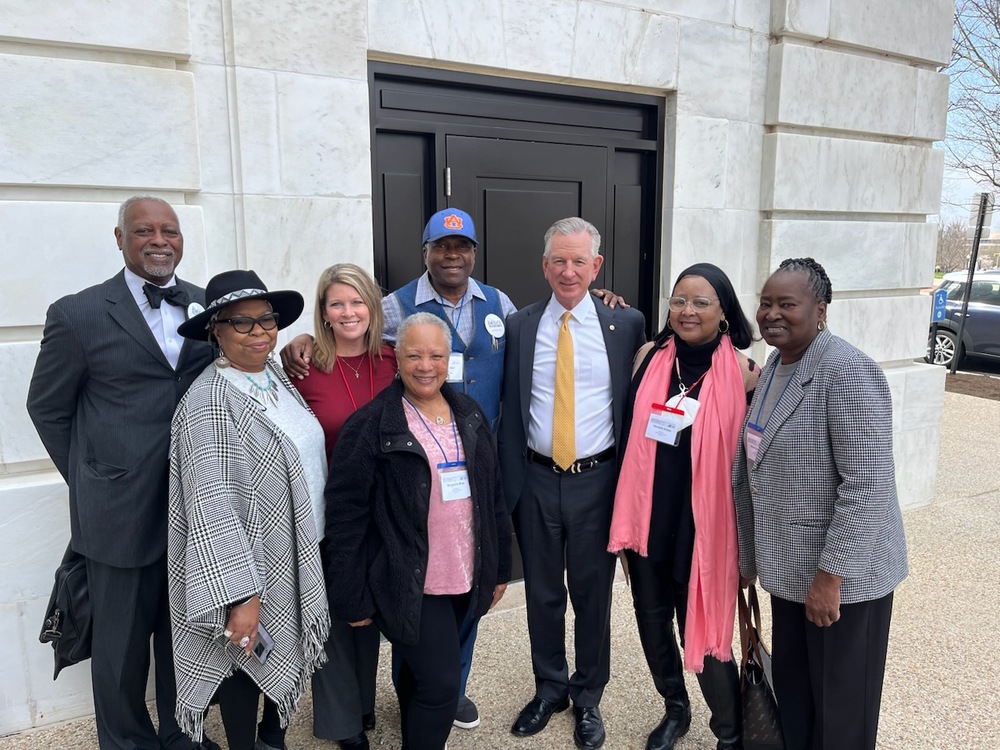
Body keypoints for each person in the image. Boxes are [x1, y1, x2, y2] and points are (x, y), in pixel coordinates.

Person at [282, 207, 624, 731]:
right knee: (412, 585)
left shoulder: (504, 306)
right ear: (426, 252)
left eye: (462, 247)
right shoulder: (392, 308)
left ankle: (454, 686)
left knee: (465, 581)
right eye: (442, 247)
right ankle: (418, 689)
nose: (452, 255)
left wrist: (599, 300)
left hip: (477, 468)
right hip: (411, 477)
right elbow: (351, 341)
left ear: (472, 254)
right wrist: (305, 341)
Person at [26, 196, 219, 750]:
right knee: (120, 651)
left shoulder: (208, 306)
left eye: (170, 231)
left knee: (188, 641)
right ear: (119, 239)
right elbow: (48, 408)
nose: (160, 241)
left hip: (194, 507)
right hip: (115, 515)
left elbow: (249, 357)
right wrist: (91, 477)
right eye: (144, 231)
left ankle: (185, 738)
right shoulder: (78, 313)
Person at [732, 258, 909, 750]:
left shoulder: (847, 372)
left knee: (840, 716)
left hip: (841, 585)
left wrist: (830, 578)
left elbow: (866, 486)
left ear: (821, 311)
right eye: (766, 302)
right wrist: (750, 559)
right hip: (788, 573)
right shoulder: (775, 365)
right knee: (797, 701)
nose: (772, 314)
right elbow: (753, 466)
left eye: (787, 304)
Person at [323, 312, 511, 750]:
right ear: (396, 359)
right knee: (443, 687)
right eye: (413, 355)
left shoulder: (469, 413)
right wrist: (349, 593)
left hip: (462, 571)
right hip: (409, 578)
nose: (425, 366)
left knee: (419, 673)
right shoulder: (371, 426)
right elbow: (346, 517)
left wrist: (499, 566)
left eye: (435, 355)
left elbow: (492, 495)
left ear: (449, 359)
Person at [168, 270, 331, 750]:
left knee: (283, 647)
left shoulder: (276, 378)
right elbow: (209, 506)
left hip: (297, 545)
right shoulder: (210, 401)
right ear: (215, 329)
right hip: (247, 569)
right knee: (243, 659)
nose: (259, 332)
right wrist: (241, 596)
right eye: (243, 323)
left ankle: (272, 739)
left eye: (267, 320)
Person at [498, 217, 646, 749]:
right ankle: (549, 688)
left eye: (579, 261)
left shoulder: (625, 323)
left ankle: (588, 698)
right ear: (544, 265)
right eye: (558, 260)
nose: (568, 270)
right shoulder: (520, 325)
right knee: (541, 593)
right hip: (536, 479)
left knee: (592, 595)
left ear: (596, 266)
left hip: (597, 481)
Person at [607, 263, 759, 750]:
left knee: (709, 632)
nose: (687, 311)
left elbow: (756, 464)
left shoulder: (745, 372)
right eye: (678, 301)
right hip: (648, 521)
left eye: (701, 302)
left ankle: (729, 731)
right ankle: (675, 708)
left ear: (724, 312)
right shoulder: (649, 358)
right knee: (651, 620)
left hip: (706, 530)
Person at [285, 263, 397, 750]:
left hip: (390, 511)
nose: (348, 312)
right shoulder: (302, 368)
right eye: (337, 303)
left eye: (357, 302)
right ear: (324, 314)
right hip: (331, 516)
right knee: (330, 620)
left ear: (373, 307)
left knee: (368, 614)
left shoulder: (396, 360)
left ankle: (364, 704)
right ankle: (341, 723)